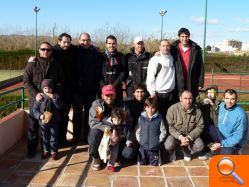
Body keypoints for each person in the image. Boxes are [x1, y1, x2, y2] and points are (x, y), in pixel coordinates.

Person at [23, 42, 64, 158]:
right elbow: (26, 81)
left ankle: (45, 149)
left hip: (51, 102)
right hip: (35, 101)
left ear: (51, 51)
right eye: (43, 49)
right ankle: (31, 149)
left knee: (49, 126)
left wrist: (55, 94)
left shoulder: (56, 64)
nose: (46, 51)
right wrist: (36, 94)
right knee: (33, 126)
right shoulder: (32, 64)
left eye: (48, 50)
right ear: (39, 50)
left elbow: (61, 82)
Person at [88, 85, 136, 171]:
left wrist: (120, 135)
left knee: (129, 154)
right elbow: (93, 123)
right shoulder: (97, 106)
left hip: (119, 136)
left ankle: (116, 156)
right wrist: (111, 129)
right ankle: (96, 157)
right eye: (107, 95)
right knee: (93, 134)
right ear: (102, 96)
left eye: (111, 95)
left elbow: (129, 122)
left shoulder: (122, 106)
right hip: (103, 133)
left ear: (115, 95)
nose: (109, 97)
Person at [72, 32, 101, 144]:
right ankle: (76, 137)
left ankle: (87, 136)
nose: (85, 42)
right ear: (79, 41)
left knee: (90, 114)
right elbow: (58, 50)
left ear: (90, 41)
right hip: (77, 90)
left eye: (87, 40)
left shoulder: (95, 53)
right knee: (77, 114)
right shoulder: (73, 51)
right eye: (83, 40)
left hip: (91, 90)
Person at [164, 90, 204, 162]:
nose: (188, 101)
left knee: (200, 146)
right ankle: (172, 152)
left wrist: (189, 137)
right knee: (168, 145)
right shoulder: (172, 109)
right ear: (180, 99)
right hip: (176, 136)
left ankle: (187, 151)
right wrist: (180, 137)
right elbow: (169, 126)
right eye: (185, 98)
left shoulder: (197, 111)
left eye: (190, 98)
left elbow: (200, 126)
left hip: (190, 136)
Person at [53, 32, 76, 147]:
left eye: (68, 42)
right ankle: (54, 141)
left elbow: (84, 48)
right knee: (55, 116)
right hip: (56, 91)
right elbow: (42, 55)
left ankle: (62, 140)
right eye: (64, 42)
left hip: (68, 91)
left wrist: (95, 48)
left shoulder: (72, 50)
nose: (67, 44)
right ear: (59, 41)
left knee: (65, 116)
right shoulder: (53, 51)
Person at [208, 89, 248, 155]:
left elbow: (237, 137)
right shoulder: (222, 105)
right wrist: (212, 103)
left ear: (236, 100)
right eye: (227, 98)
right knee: (208, 128)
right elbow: (219, 110)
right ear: (223, 98)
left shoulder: (240, 115)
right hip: (222, 135)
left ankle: (235, 150)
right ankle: (214, 146)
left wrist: (221, 144)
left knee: (226, 154)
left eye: (232, 99)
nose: (229, 101)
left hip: (234, 142)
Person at [33, 79, 64, 160]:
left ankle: (54, 151)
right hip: (43, 122)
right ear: (43, 89)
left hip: (54, 121)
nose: (47, 90)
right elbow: (35, 109)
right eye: (45, 88)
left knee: (54, 137)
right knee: (45, 137)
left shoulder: (55, 96)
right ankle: (46, 150)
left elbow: (60, 106)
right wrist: (40, 116)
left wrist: (54, 98)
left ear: (52, 88)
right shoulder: (40, 97)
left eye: (49, 88)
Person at [146, 39, 176, 119]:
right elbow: (150, 77)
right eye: (163, 46)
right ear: (159, 47)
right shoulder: (155, 59)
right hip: (159, 95)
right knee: (159, 118)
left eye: (167, 46)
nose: (165, 48)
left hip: (171, 94)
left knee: (170, 118)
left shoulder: (172, 57)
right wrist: (152, 93)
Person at [171, 28, 204, 99]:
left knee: (190, 103)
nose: (184, 38)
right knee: (178, 104)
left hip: (192, 82)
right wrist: (157, 53)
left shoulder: (196, 49)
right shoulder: (173, 48)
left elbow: (200, 66)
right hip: (177, 82)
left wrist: (200, 83)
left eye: (186, 36)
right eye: (182, 36)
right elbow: (164, 53)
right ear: (179, 37)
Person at [136, 97, 167, 166]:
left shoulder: (159, 118)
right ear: (145, 107)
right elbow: (138, 130)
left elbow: (163, 131)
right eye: (148, 107)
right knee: (142, 163)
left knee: (154, 164)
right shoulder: (141, 118)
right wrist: (140, 140)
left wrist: (158, 140)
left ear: (155, 108)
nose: (150, 110)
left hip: (154, 147)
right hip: (143, 146)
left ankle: (158, 156)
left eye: (152, 108)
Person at [100, 35, 127, 102]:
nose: (111, 45)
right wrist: (104, 86)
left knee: (117, 110)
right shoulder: (100, 56)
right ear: (106, 44)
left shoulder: (121, 56)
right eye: (109, 43)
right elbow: (97, 72)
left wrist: (114, 85)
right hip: (103, 89)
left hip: (116, 89)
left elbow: (123, 72)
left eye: (113, 43)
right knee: (102, 109)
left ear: (116, 44)